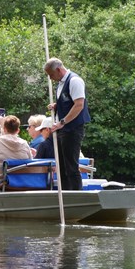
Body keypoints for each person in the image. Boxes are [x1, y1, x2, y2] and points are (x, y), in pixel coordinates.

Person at [44, 57, 91, 191]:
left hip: (72, 129)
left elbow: (79, 105)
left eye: (51, 75)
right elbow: (68, 101)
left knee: (71, 166)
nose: (51, 78)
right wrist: (57, 106)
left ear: (58, 70)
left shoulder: (75, 81)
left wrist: (62, 122)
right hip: (63, 130)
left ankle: (77, 196)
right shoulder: (60, 84)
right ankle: (65, 195)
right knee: (62, 166)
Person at [0, 115, 32, 188]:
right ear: (18, 130)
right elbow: (30, 163)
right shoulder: (25, 144)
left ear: (4, 129)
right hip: (20, 182)